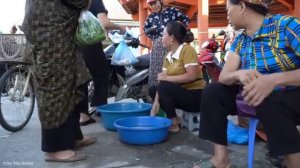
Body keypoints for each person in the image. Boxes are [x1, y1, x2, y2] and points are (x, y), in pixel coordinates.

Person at [194, 0, 300, 168]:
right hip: (257, 97)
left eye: (228, 9)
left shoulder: (286, 26)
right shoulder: (240, 41)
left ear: (242, 7)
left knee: (271, 99)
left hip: (292, 93)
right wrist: (239, 73)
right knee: (213, 91)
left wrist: (273, 80)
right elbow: (225, 77)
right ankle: (221, 160)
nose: (227, 15)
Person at [21, 0, 97, 162]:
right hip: (51, 34)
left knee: (78, 77)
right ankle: (55, 148)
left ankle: (73, 136)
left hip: (60, 32)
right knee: (57, 87)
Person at [149, 22, 206, 133]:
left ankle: (174, 123)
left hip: (196, 96)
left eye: (164, 34)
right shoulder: (168, 56)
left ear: (172, 38)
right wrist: (156, 102)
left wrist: (166, 79)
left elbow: (192, 76)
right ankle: (175, 119)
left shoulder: (187, 50)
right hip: (183, 94)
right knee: (153, 89)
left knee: (165, 86)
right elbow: (161, 81)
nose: (161, 38)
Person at [79, 0, 126, 126]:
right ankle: (100, 108)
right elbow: (104, 22)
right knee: (101, 75)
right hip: (90, 44)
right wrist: (120, 27)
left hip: (75, 45)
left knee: (81, 79)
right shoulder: (95, 1)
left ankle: (82, 115)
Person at [144, 0, 190, 87]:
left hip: (173, 46)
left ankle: (174, 92)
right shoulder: (151, 17)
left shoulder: (173, 12)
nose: (153, 6)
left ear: (160, 1)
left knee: (174, 69)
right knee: (157, 71)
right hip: (158, 48)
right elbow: (146, 29)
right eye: (151, 4)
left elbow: (186, 20)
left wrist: (178, 36)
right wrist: (156, 38)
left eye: (155, 3)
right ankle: (155, 93)